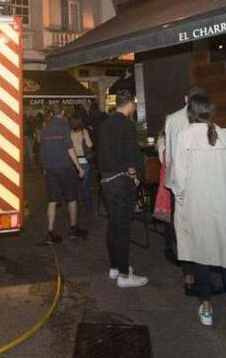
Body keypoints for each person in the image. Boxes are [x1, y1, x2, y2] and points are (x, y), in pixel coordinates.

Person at [171, 94, 226, 327]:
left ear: (190, 112)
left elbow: (179, 177)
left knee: (200, 254)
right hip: (224, 205)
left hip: (196, 204)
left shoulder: (184, 137)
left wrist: (180, 198)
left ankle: (206, 306)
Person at [98, 89, 148, 288]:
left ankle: (115, 267)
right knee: (123, 229)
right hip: (121, 182)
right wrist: (135, 176)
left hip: (106, 181)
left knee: (113, 226)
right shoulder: (127, 125)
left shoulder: (106, 124)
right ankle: (125, 275)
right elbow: (131, 155)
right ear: (131, 104)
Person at [165, 85, 206, 295]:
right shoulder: (204, 120)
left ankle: (188, 274)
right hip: (198, 182)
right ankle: (201, 273)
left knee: (182, 228)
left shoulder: (171, 119)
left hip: (176, 181)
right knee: (200, 227)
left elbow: (169, 153)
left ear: (185, 98)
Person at [39, 104, 87, 244]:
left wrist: (44, 166)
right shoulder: (64, 126)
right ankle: (73, 229)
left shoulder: (45, 128)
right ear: (63, 112)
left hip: (51, 169)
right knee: (72, 198)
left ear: (51, 113)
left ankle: (50, 232)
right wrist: (79, 167)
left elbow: (42, 150)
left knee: (52, 200)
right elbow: (70, 148)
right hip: (66, 168)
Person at [70, 115, 94, 208]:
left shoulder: (68, 133)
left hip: (72, 161)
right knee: (85, 185)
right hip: (84, 161)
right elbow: (90, 144)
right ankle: (88, 205)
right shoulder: (84, 132)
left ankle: (76, 204)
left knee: (74, 185)